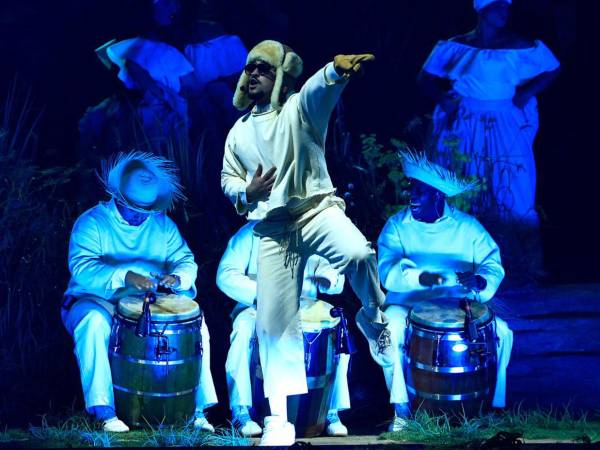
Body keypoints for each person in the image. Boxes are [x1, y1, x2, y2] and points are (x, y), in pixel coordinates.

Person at [221, 40, 389, 445]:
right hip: (274, 227)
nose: (253, 74)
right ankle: (278, 420)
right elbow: (228, 179)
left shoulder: (298, 110)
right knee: (274, 323)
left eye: (264, 68)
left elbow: (317, 90)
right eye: (250, 68)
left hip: (315, 210)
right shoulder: (238, 132)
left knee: (359, 253)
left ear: (280, 76)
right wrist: (246, 190)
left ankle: (373, 316)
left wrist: (334, 70)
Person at [61, 152, 217, 432]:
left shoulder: (162, 225)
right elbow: (82, 268)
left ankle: (195, 409)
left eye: (145, 210)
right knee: (93, 325)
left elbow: (185, 260)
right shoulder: (92, 222)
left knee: (196, 326)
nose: (139, 216)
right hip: (96, 300)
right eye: (133, 208)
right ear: (118, 197)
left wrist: (177, 277)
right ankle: (104, 411)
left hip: (149, 302)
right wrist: (125, 276)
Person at [373, 151, 513, 431]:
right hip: (407, 304)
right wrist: (424, 277)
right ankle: (402, 410)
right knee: (391, 331)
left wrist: (481, 281)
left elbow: (492, 264)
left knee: (503, 332)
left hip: (457, 306)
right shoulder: (397, 227)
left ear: (437, 195)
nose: (412, 197)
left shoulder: (467, 227)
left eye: (420, 192)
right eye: (411, 190)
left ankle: (493, 407)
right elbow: (387, 271)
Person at [417, 0, 560, 226]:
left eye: (508, 7)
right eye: (499, 6)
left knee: (511, 178)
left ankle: (510, 239)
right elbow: (424, 78)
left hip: (503, 120)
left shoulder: (516, 44)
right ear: (483, 8)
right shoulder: (458, 45)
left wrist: (526, 93)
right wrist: (443, 99)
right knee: (464, 172)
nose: (506, 12)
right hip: (465, 119)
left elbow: (552, 67)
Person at [216, 221, 351, 437]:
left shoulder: (311, 229)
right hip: (257, 307)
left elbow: (331, 270)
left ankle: (330, 411)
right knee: (243, 329)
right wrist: (264, 294)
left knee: (338, 329)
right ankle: (241, 410)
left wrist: (329, 278)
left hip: (304, 309)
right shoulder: (251, 233)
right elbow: (226, 274)